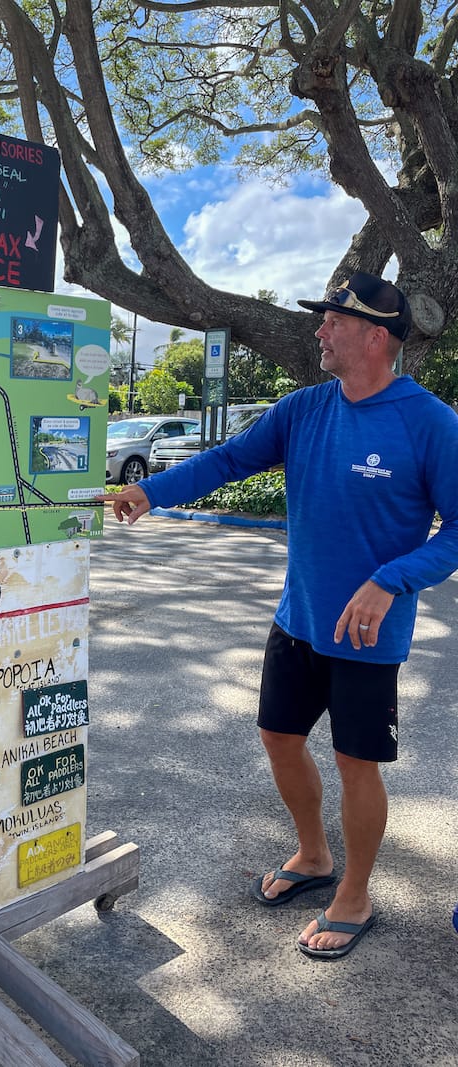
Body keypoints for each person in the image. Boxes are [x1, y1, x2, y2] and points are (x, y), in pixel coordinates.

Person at [102, 272, 458, 960]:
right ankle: (315, 854)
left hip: (367, 635)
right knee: (278, 737)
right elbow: (229, 459)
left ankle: (354, 892)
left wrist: (393, 579)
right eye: (322, 317)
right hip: (298, 619)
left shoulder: (430, 422)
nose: (319, 329)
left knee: (358, 764)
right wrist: (150, 490)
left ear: (376, 336)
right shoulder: (304, 410)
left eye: (334, 320)